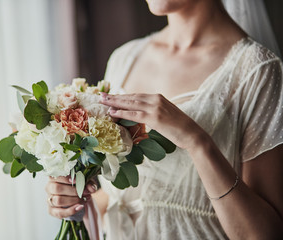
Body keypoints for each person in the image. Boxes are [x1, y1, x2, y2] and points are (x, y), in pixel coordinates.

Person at [45, 0, 283, 239]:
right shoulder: (124, 58)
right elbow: (121, 199)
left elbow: (262, 234)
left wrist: (196, 140)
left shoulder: (258, 70)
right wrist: (76, 203)